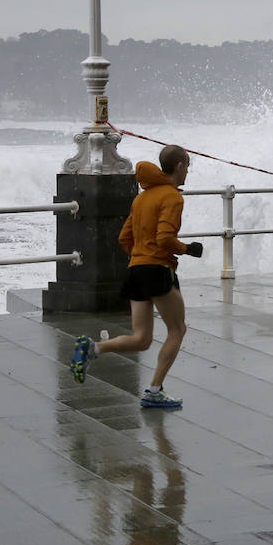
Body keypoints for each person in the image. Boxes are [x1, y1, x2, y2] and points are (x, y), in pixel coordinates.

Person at [69, 144, 203, 407]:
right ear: (179, 165)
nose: (188, 171)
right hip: (156, 271)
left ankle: (93, 348)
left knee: (141, 339)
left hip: (136, 271)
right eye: (187, 165)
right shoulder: (172, 197)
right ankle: (154, 391)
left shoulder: (141, 198)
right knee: (178, 329)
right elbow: (165, 238)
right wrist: (187, 249)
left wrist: (142, 256)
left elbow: (124, 238)